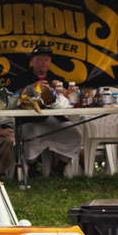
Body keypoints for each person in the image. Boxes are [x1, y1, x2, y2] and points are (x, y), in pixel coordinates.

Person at [15, 44, 82, 178]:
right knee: (29, 135)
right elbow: (12, 96)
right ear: (33, 60)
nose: (44, 62)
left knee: (75, 134)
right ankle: (33, 169)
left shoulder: (55, 77)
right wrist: (31, 87)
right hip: (31, 120)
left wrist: (63, 91)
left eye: (46, 59)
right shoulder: (22, 77)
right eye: (40, 59)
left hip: (54, 118)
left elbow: (71, 99)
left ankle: (59, 170)